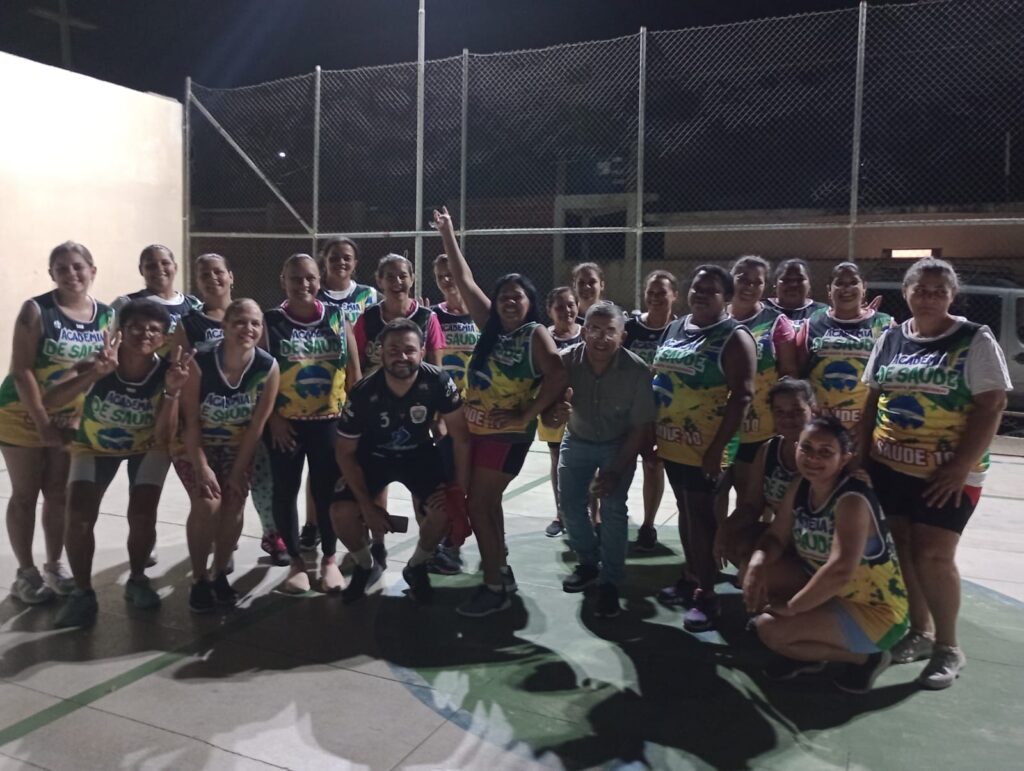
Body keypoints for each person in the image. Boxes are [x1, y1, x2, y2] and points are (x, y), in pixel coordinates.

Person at [860, 256, 1010, 689]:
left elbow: (992, 404)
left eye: (938, 291)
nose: (928, 297)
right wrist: (861, 458)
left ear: (952, 295)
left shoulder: (973, 338)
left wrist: (960, 466)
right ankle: (920, 633)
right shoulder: (891, 337)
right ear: (906, 292)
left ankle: (948, 646)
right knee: (903, 547)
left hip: (947, 473)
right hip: (890, 467)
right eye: (920, 290)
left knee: (933, 555)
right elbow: (872, 400)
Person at [433, 207, 567, 618]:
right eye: (504, 295)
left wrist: (526, 416)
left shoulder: (534, 334)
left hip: (505, 437)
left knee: (479, 505)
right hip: (476, 432)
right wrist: (447, 232)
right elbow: (464, 279)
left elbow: (558, 376)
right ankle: (501, 571)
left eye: (517, 296)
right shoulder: (490, 328)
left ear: (530, 303)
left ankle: (493, 586)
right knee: (487, 506)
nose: (510, 301)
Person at [47, 300, 192, 628]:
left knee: (142, 514)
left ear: (164, 337)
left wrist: (172, 393)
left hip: (146, 446)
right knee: (79, 517)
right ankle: (82, 593)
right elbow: (51, 400)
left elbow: (165, 436)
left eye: (154, 329)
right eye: (136, 327)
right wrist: (93, 375)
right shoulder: (97, 362)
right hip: (93, 446)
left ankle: (138, 579)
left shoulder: (168, 372)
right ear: (121, 331)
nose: (145, 334)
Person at [743, 416, 909, 693]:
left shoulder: (851, 499)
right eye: (806, 448)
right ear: (796, 447)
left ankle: (867, 658)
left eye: (825, 452)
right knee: (758, 574)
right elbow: (776, 536)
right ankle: (810, 648)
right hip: (835, 594)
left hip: (875, 611)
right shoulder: (801, 485)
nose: (813, 458)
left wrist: (792, 608)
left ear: (844, 459)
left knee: (770, 629)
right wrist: (756, 562)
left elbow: (840, 570)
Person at [0, 242, 113, 604]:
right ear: (52, 274)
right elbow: (22, 370)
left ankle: (53, 565)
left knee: (58, 494)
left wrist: (79, 416)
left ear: (92, 270)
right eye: (62, 268)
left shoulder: (106, 316)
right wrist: (42, 422)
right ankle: (25, 573)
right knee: (24, 494)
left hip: (70, 418)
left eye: (78, 266)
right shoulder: (36, 310)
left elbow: (100, 371)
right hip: (21, 414)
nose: (71, 274)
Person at [330, 318, 471, 603]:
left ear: (422, 351)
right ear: (379, 352)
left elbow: (462, 438)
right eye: (393, 350)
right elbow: (345, 452)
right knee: (341, 512)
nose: (402, 357)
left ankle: (416, 566)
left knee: (444, 510)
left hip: (418, 454)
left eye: (409, 350)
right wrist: (366, 506)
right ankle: (365, 565)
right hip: (373, 456)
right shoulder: (363, 392)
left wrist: (459, 489)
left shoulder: (438, 381)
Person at [652, 265, 756, 632]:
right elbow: (660, 379)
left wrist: (716, 449)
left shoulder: (734, 337)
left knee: (702, 516)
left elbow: (742, 396)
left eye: (711, 290)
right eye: (696, 287)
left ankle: (708, 595)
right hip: (673, 440)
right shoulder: (676, 327)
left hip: (708, 445)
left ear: (726, 298)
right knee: (685, 510)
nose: (700, 294)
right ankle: (693, 574)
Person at [542, 303, 655, 618]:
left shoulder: (637, 371)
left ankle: (610, 581)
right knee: (569, 505)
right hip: (577, 438)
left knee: (614, 508)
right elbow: (547, 416)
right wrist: (555, 414)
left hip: (618, 443)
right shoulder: (565, 362)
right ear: (584, 330)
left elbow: (639, 428)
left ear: (623, 336)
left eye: (609, 331)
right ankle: (589, 563)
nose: (600, 338)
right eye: (593, 329)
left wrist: (616, 471)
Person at [262, 253, 361, 594]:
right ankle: (296, 563)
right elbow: (259, 376)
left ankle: (329, 559)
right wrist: (273, 417)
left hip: (329, 422)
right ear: (283, 281)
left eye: (310, 278)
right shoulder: (270, 321)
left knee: (326, 491)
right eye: (295, 278)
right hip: (285, 425)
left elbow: (354, 374)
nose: (303, 284)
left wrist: (353, 421)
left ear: (320, 280)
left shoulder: (337, 317)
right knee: (285, 490)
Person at [175, 299, 279, 612]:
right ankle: (199, 579)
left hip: (237, 444)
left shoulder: (267, 367)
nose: (248, 329)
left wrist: (237, 471)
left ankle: (219, 573)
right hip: (195, 444)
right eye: (240, 322)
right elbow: (189, 422)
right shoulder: (201, 361)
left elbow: (257, 426)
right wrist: (201, 466)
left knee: (234, 500)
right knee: (208, 503)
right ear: (224, 326)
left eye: (255, 323)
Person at [717, 379, 815, 573]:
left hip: (817, 543)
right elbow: (752, 505)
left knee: (759, 571)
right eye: (780, 412)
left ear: (813, 410)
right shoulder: (768, 450)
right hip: (784, 537)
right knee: (738, 543)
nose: (788, 418)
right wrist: (724, 529)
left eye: (797, 411)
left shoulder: (823, 453)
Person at [727, 256, 798, 500]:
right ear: (730, 280)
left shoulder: (776, 322)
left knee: (751, 497)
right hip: (716, 423)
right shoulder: (716, 318)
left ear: (765, 286)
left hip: (759, 428)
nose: (749, 286)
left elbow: (789, 373)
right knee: (715, 494)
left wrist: (782, 419)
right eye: (743, 279)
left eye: (757, 282)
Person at [429, 253, 481, 575]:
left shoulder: (481, 313)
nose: (447, 280)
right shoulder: (433, 316)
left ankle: (492, 538)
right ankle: (452, 543)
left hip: (479, 410)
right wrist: (436, 415)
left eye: (451, 273)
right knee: (451, 479)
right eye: (440, 276)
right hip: (448, 413)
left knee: (482, 481)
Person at [799, 262, 893, 437]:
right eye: (840, 283)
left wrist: (867, 424)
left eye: (853, 282)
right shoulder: (812, 324)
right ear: (829, 290)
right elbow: (798, 374)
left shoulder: (884, 324)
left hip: (866, 427)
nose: (846, 288)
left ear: (864, 288)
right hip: (821, 425)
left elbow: (891, 380)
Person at [624, 270, 678, 552]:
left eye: (662, 293)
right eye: (651, 292)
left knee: (653, 466)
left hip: (663, 412)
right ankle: (609, 517)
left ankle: (648, 524)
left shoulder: (681, 330)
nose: (656, 297)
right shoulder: (630, 328)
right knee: (618, 463)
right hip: (628, 411)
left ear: (674, 295)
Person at [537, 287, 582, 538]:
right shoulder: (544, 337)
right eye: (560, 306)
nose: (567, 310)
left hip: (584, 407)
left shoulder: (586, 333)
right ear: (549, 310)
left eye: (571, 304)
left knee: (587, 459)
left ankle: (592, 513)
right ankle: (560, 513)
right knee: (557, 458)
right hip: (552, 406)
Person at [353, 253, 444, 374]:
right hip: (376, 385)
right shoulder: (367, 317)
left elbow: (436, 368)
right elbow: (356, 365)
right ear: (379, 281)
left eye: (403, 276)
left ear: (412, 279)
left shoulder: (427, 318)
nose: (397, 281)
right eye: (390, 277)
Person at [112, 244, 201, 355]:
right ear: (141, 270)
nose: (159, 269)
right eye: (151, 266)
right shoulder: (125, 303)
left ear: (175, 267)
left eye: (165, 263)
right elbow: (102, 341)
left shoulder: (194, 304)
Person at [171, 253, 234, 354]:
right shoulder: (187, 323)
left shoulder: (249, 315)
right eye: (205, 275)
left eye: (218, 272)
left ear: (231, 277)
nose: (212, 277)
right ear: (198, 282)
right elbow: (179, 360)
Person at [316, 236, 378, 324]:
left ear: (355, 263)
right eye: (334, 258)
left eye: (347, 258)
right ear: (325, 261)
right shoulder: (314, 293)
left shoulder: (368, 295)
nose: (341, 262)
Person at [765, 258, 828, 332]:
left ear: (809, 285)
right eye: (786, 280)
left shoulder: (822, 312)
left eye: (799, 280)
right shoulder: (762, 309)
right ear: (775, 285)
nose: (793, 285)